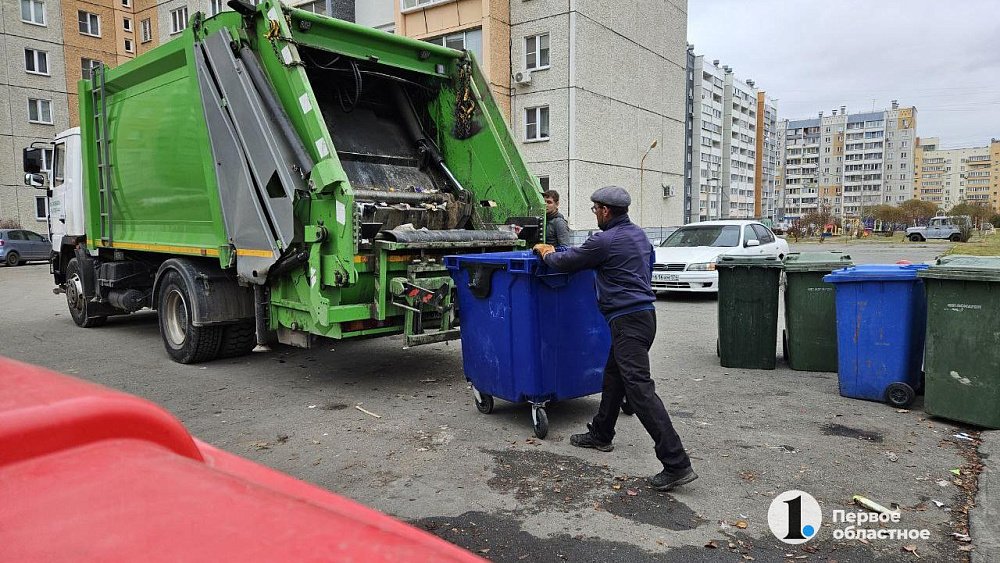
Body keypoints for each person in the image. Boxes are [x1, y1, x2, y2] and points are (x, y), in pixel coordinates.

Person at [532, 186, 697, 492]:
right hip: (645, 318)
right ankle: (601, 434)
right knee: (614, 376)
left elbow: (565, 262)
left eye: (595, 210)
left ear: (606, 211)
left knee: (640, 392)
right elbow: (646, 266)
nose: (595, 215)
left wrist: (545, 252)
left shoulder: (604, 240)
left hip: (627, 321)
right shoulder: (639, 236)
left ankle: (676, 463)